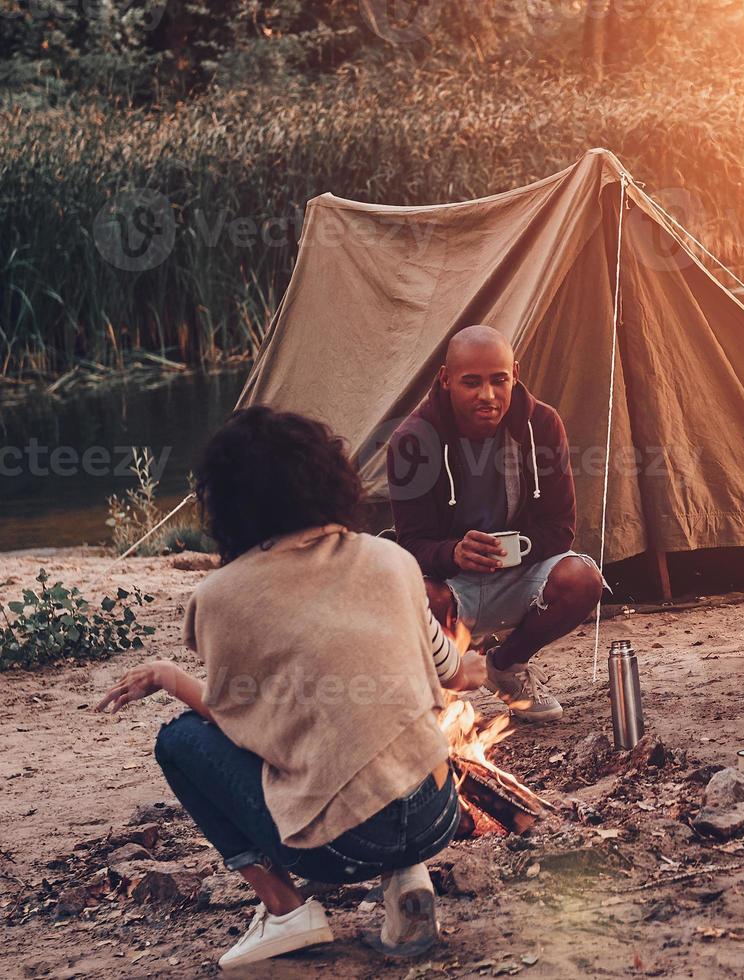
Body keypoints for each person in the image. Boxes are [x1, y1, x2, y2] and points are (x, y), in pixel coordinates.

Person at [95, 407, 487, 968]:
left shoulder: (222, 596)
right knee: (381, 733)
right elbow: (449, 669)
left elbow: (242, 729)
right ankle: (407, 878)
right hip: (437, 815)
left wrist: (171, 679)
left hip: (343, 849)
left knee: (179, 741)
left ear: (226, 501)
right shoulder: (390, 559)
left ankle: (285, 909)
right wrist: (471, 667)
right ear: (329, 475)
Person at [389, 324, 604, 723]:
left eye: (498, 380)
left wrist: (514, 548)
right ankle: (445, 683)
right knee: (413, 596)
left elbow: (561, 527)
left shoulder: (541, 424)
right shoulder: (412, 439)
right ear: (446, 379)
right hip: (452, 583)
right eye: (471, 383)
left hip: (518, 572)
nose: (487, 395)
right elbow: (411, 545)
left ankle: (505, 666)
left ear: (515, 375)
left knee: (583, 579)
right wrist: (453, 552)